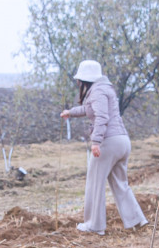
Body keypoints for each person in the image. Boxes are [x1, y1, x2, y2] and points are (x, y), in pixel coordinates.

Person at [60, 60, 148, 235]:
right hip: (122, 141)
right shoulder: (105, 89)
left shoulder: (97, 91)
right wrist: (71, 112)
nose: (78, 83)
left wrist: (96, 142)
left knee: (95, 182)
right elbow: (88, 109)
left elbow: (101, 117)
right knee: (120, 183)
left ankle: (94, 225)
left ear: (84, 79)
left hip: (109, 142)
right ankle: (136, 220)